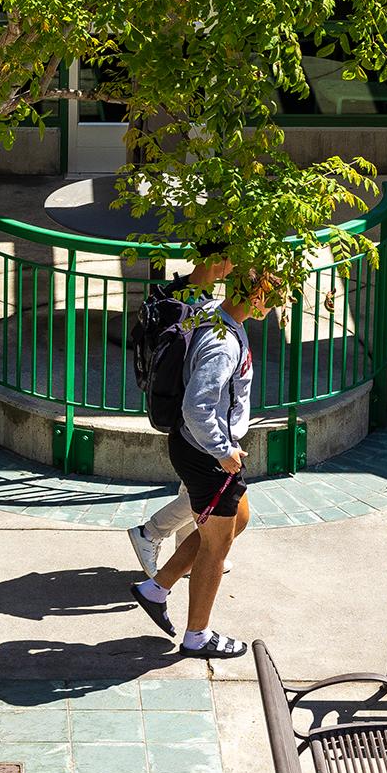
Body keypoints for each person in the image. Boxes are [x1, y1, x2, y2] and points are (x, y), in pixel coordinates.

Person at [131, 268, 279, 660]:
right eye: (275, 297)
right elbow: (197, 405)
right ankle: (197, 636)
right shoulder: (222, 343)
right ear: (257, 296)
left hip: (202, 447)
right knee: (216, 549)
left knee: (238, 520)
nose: (278, 306)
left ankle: (156, 588)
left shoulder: (215, 312)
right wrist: (221, 450)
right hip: (205, 453)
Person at [127, 241, 235, 578]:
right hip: (192, 412)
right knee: (207, 489)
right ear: (219, 261)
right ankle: (151, 532)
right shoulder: (203, 308)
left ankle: (190, 552)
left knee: (193, 485)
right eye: (234, 260)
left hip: (177, 404)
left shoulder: (178, 291)